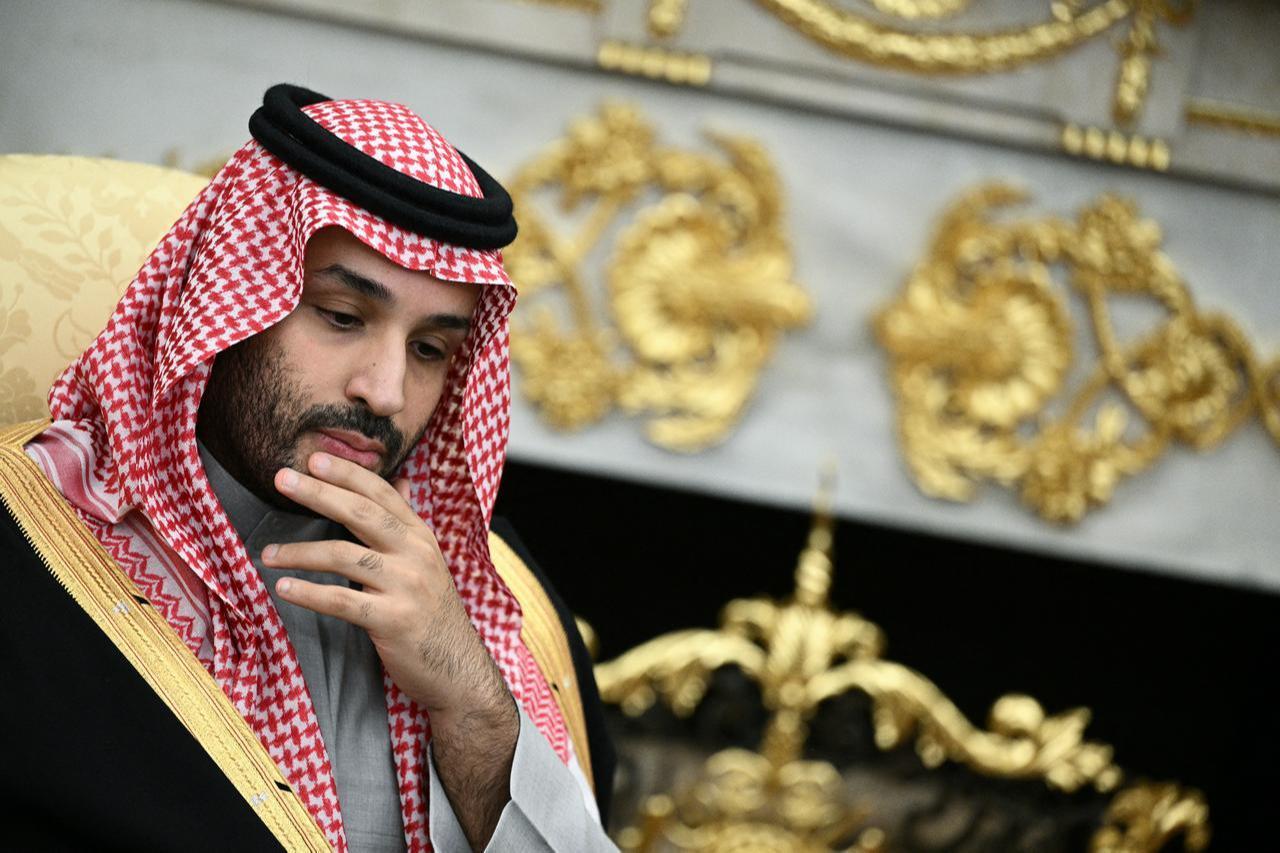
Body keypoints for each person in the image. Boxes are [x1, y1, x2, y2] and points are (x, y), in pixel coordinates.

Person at [0, 84, 615, 852]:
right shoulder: (24, 553)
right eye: (342, 316)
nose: (384, 391)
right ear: (224, 301)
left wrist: (470, 701)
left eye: (430, 349)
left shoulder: (492, 592)